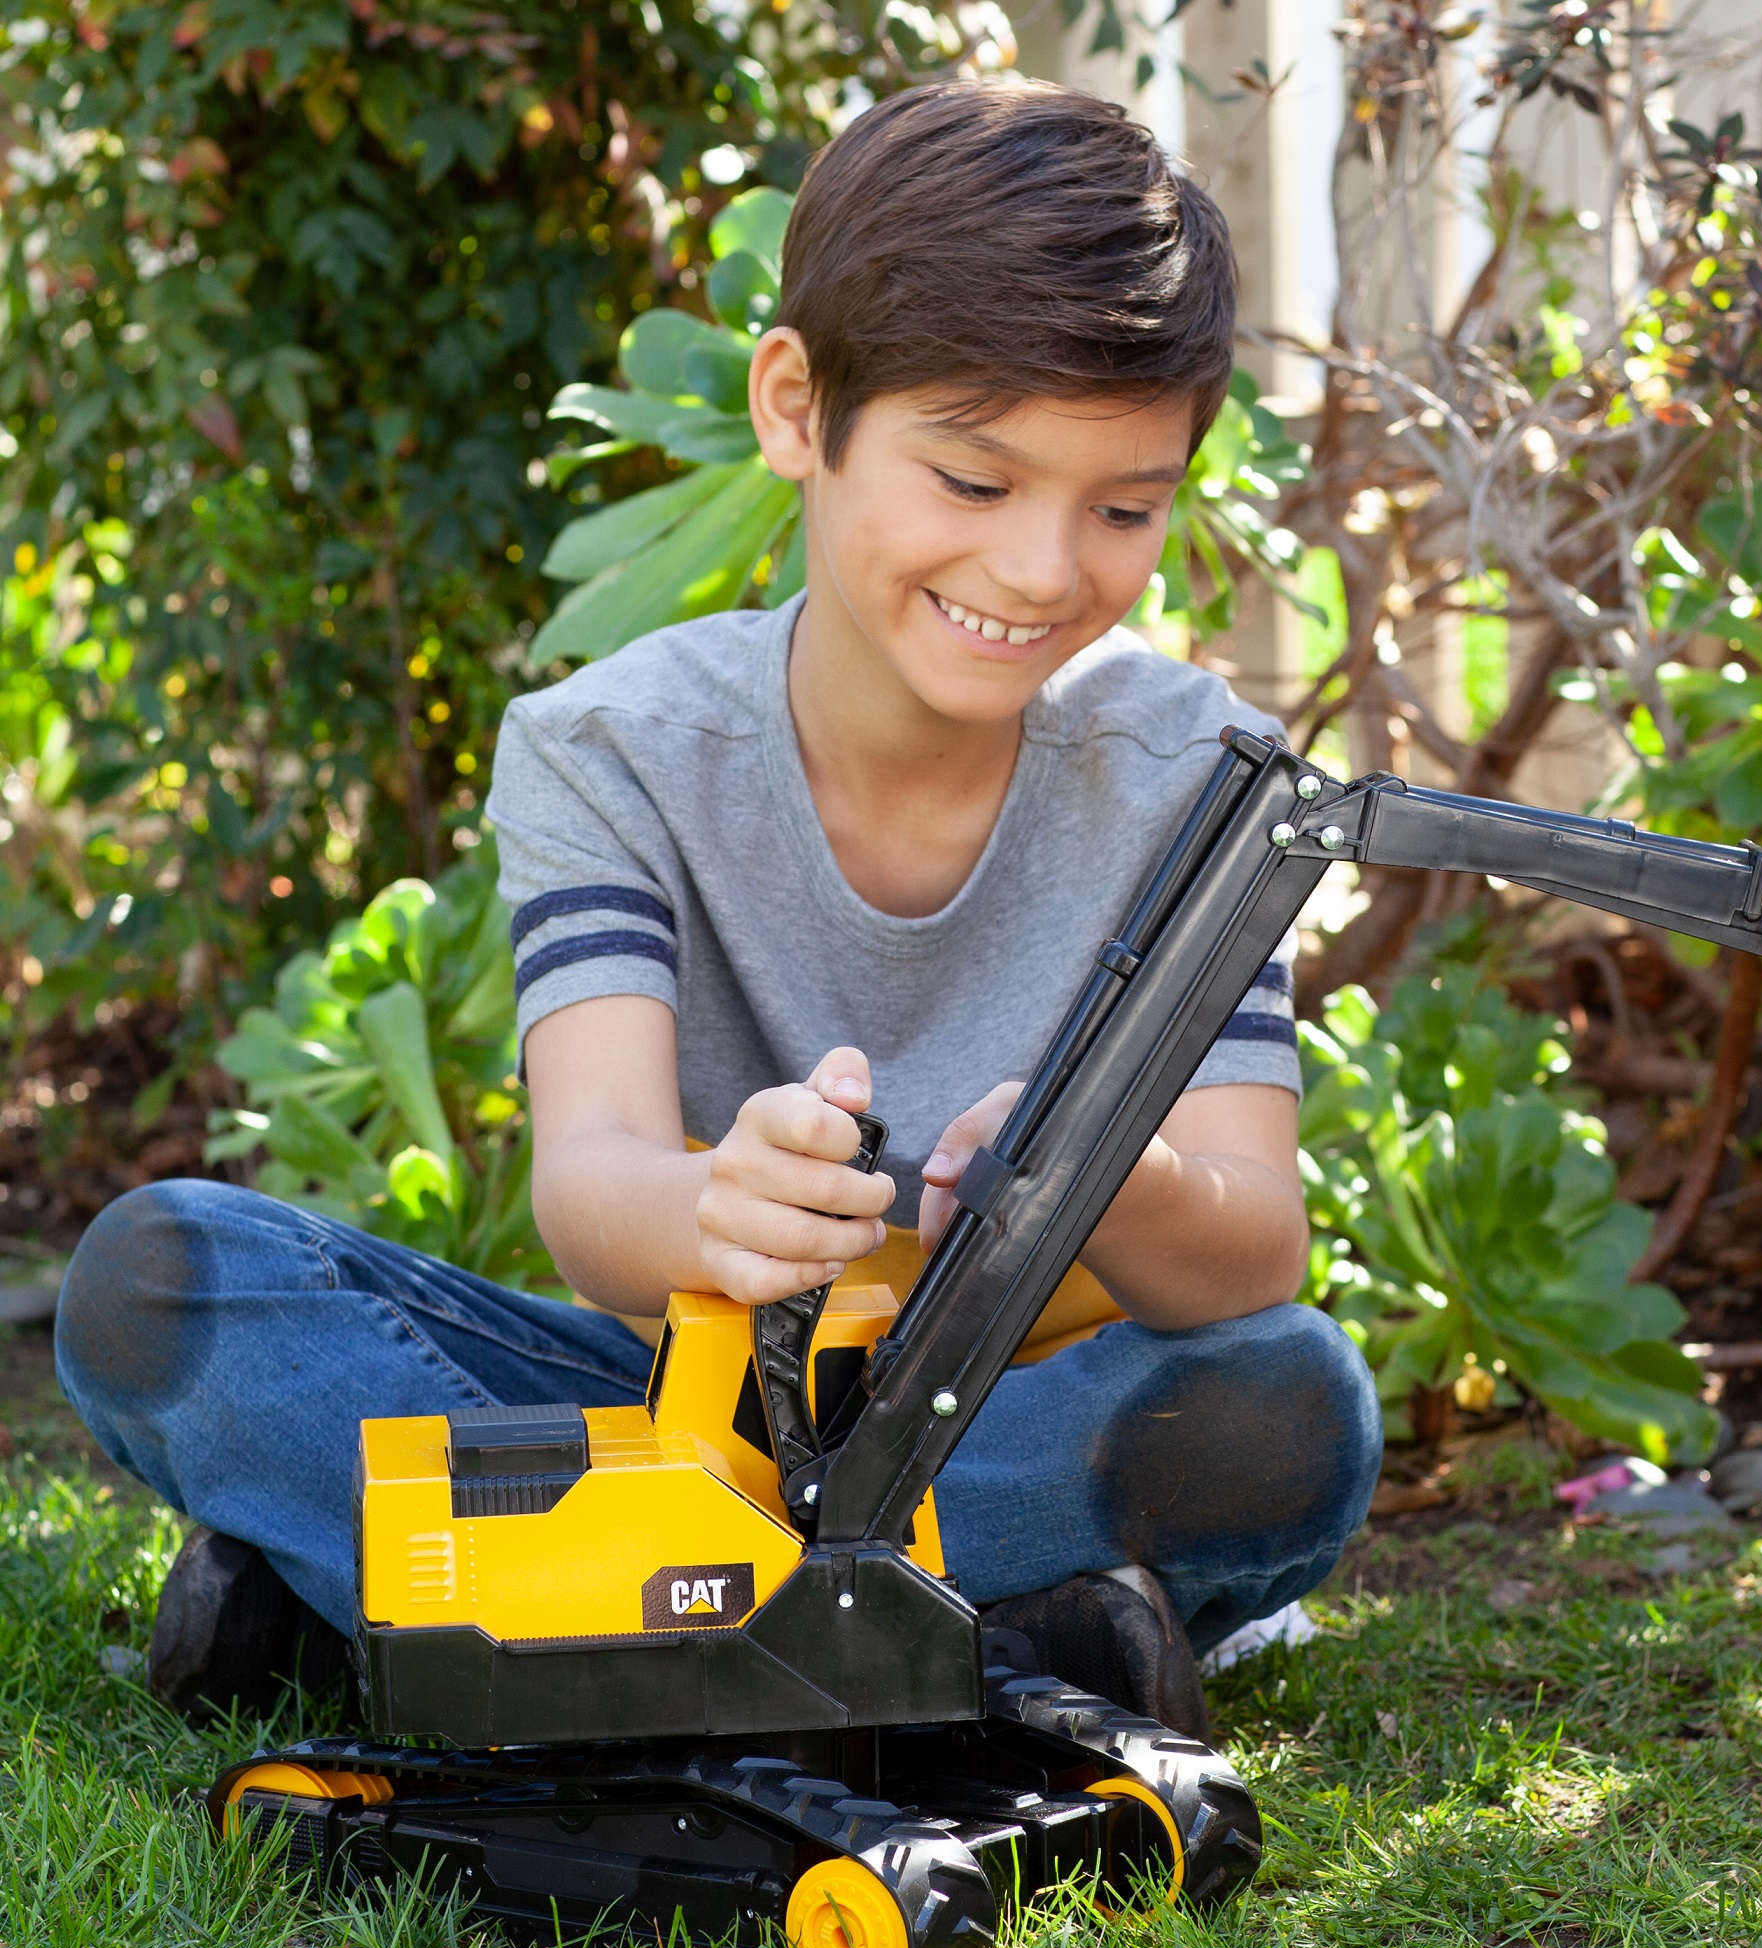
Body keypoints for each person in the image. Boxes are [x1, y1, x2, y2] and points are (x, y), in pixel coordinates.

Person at [55, 79, 1381, 1743]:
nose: (1045, 569)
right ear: (793, 406)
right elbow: (595, 1187)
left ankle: (462, 1617)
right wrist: (716, 1212)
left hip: (997, 1412)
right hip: (674, 1421)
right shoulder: (607, 750)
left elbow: (1255, 1243)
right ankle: (989, 1638)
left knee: (1287, 1402)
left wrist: (1100, 1168)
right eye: (973, 481)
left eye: (1123, 507)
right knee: (168, 1280)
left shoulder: (1201, 774)